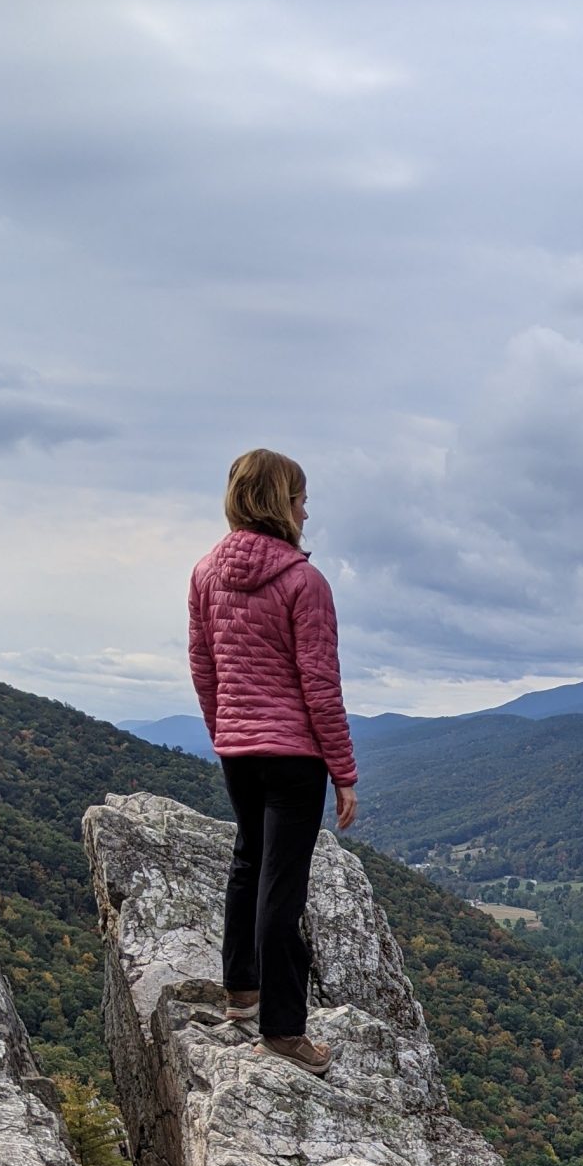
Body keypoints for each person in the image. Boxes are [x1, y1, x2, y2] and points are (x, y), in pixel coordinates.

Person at [188, 448, 357, 1076]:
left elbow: (203, 666)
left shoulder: (206, 572)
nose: (307, 509)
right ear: (278, 503)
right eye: (300, 497)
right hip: (294, 756)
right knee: (282, 885)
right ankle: (284, 1032)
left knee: (247, 859)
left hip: (238, 750)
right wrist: (343, 771)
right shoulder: (303, 582)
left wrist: (224, 731)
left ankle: (241, 992)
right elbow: (320, 685)